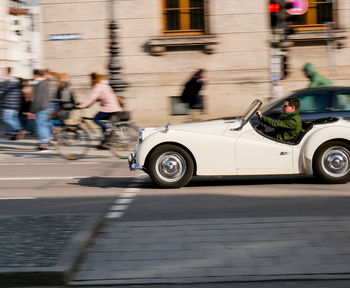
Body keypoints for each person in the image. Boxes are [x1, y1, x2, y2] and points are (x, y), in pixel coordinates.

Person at [76, 72, 123, 148]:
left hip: (109, 108)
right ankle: (104, 143)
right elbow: (103, 96)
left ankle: (108, 133)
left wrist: (81, 106)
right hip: (114, 107)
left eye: (90, 79)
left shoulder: (98, 86)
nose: (90, 81)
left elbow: (91, 99)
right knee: (103, 123)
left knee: (96, 119)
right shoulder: (105, 85)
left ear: (94, 79)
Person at [28, 69, 52, 150]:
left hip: (41, 108)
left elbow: (37, 99)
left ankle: (44, 144)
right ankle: (48, 140)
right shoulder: (45, 83)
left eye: (33, 75)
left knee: (40, 126)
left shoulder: (38, 84)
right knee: (44, 125)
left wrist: (32, 111)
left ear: (36, 75)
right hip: (47, 107)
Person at [0, 67, 25, 140]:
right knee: (14, 119)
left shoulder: (7, 82)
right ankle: (16, 134)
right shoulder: (18, 83)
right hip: (16, 105)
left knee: (6, 118)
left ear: (7, 72)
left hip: (8, 104)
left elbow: (2, 91)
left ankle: (19, 130)